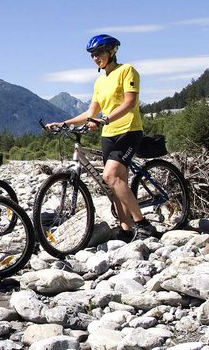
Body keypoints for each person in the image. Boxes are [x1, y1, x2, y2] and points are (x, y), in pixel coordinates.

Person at [45, 34, 158, 242]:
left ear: (111, 51)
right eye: (92, 55)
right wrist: (64, 123)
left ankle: (143, 224)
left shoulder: (127, 71)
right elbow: (90, 113)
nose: (95, 58)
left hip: (128, 131)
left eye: (99, 53)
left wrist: (104, 119)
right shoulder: (99, 81)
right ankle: (126, 229)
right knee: (114, 183)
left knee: (110, 175)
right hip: (108, 135)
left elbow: (129, 103)